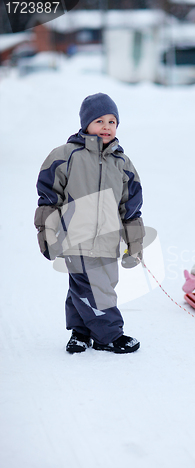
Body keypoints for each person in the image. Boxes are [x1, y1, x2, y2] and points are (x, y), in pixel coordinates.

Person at [34, 93, 145, 354]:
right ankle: (109, 335)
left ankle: (80, 332)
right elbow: (48, 198)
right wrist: (48, 234)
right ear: (85, 124)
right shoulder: (66, 155)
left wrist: (134, 244)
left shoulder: (122, 163)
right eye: (99, 121)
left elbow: (131, 207)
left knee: (89, 285)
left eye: (112, 122)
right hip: (75, 237)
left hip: (107, 239)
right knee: (93, 287)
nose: (106, 127)